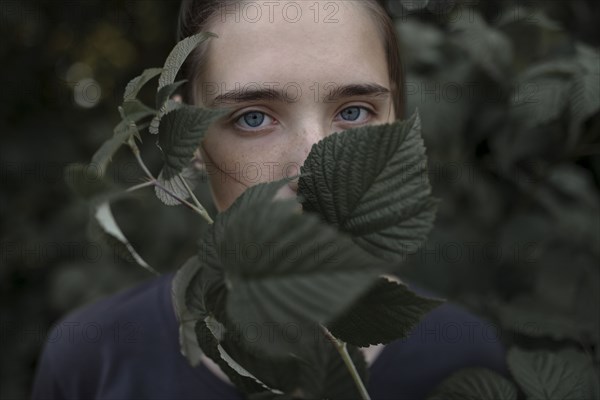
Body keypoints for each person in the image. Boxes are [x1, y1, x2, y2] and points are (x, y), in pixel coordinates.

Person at [31, 1, 507, 399]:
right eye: (254, 118)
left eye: (355, 111)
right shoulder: (91, 362)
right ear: (189, 141)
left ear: (397, 121)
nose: (312, 170)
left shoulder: (467, 362)